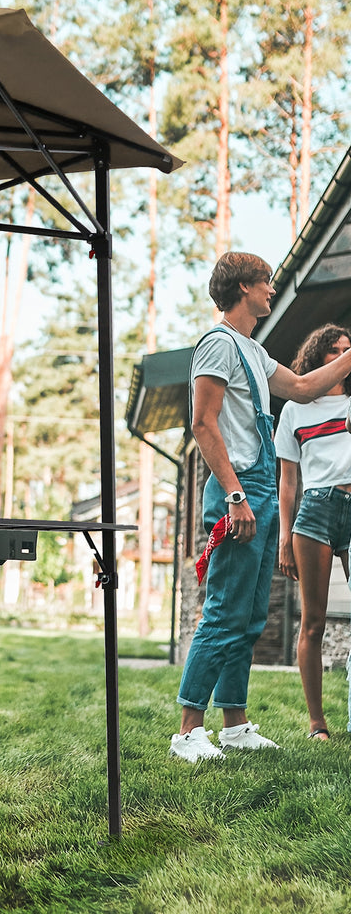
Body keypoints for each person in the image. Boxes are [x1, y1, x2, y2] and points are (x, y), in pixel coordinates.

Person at [171, 252, 351, 763]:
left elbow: (301, 386)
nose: (273, 291)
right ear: (244, 287)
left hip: (264, 490)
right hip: (239, 488)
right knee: (224, 612)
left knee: (250, 617)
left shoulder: (252, 348)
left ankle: (234, 724)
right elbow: (203, 424)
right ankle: (188, 730)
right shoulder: (217, 344)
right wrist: (234, 496)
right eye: (267, 283)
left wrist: (348, 356)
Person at [275, 324, 351, 741]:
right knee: (313, 623)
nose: (342, 357)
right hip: (317, 510)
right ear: (317, 357)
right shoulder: (296, 408)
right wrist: (285, 537)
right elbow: (288, 481)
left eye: (348, 351)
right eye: (334, 351)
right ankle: (317, 724)